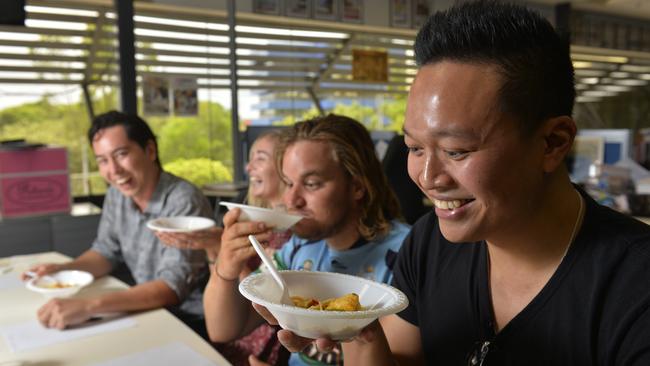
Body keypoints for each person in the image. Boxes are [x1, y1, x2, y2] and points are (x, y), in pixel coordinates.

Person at [259, 2, 650, 365]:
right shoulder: (430, 243)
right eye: (414, 147)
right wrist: (358, 336)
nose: (428, 179)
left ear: (553, 143)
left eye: (457, 151)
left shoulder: (633, 285)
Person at [204, 114, 410, 366]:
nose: (291, 200)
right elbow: (223, 330)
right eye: (288, 183)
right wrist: (226, 267)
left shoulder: (406, 254)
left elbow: (400, 358)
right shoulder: (299, 246)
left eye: (311, 184)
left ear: (357, 187)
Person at [24, 110, 213, 339]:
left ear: (150, 150)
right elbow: (106, 251)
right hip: (145, 310)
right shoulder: (117, 195)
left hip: (189, 322)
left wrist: (88, 306)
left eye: (121, 154)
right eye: (103, 160)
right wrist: (62, 271)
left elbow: (171, 287)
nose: (113, 171)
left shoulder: (183, 200)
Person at [158, 129, 291, 365]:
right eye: (250, 160)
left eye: (260, 159)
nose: (249, 168)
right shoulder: (251, 220)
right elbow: (221, 317)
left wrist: (222, 251)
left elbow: (271, 298)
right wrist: (215, 250)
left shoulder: (294, 235)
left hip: (264, 348)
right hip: (234, 339)